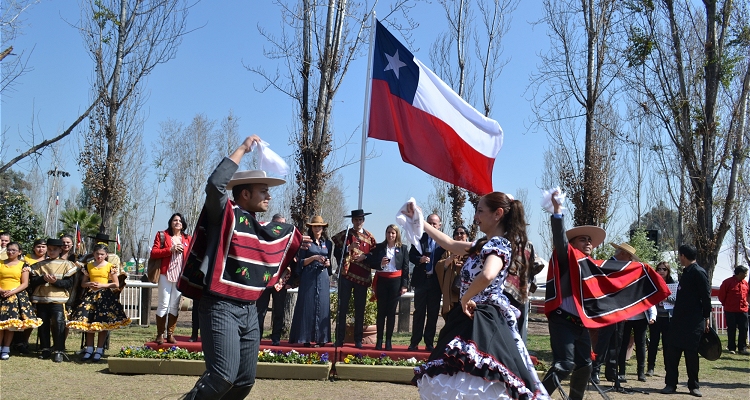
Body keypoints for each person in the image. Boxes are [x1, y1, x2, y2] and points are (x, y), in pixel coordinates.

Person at [181, 135, 306, 399]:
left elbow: (269, 253)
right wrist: (242, 148)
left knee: (244, 381)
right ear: (245, 193)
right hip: (220, 306)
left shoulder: (259, 228)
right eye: (263, 191)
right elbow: (216, 184)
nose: (269, 196)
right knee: (222, 376)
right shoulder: (224, 214)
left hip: (250, 310)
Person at [408, 193, 548, 399]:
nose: (476, 217)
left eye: (480, 211)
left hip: (483, 317)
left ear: (498, 214)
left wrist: (465, 298)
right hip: (473, 315)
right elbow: (448, 243)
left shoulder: (499, 244)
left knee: (475, 375)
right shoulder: (484, 245)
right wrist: (420, 221)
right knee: (463, 374)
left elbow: (488, 274)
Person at [542, 192, 605, 399]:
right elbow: (560, 240)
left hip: (580, 324)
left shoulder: (591, 267)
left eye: (589, 240)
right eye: (582, 239)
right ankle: (536, 396)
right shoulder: (565, 256)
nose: (588, 242)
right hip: (562, 320)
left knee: (585, 364)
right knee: (564, 365)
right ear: (572, 244)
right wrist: (557, 212)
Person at [661, 244, 711, 397]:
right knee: (672, 354)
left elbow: (706, 297)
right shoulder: (686, 272)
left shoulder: (698, 273)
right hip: (678, 322)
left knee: (691, 355)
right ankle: (670, 384)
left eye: (679, 256)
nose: (679, 258)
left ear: (683, 256)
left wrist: (706, 318)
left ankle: (693, 386)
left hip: (693, 322)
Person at [67, 243, 131, 362]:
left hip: (104, 296)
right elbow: (83, 283)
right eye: (97, 254)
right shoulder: (88, 266)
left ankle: (100, 349)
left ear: (106, 255)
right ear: (93, 254)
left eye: (102, 254)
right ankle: (89, 349)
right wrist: (89, 284)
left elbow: (116, 284)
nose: (99, 256)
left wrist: (103, 285)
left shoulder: (110, 266)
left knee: (102, 324)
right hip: (90, 296)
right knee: (89, 323)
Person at [593, 242, 638, 384]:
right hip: (607, 310)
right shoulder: (607, 265)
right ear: (623, 254)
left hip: (619, 311)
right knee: (603, 341)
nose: (631, 260)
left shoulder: (624, 267)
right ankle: (595, 371)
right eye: (630, 257)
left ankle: (611, 371)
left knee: (616, 341)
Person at [331, 209, 377, 348]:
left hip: (362, 277)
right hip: (346, 276)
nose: (358, 222)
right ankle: (339, 339)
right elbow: (336, 252)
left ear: (364, 220)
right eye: (356, 220)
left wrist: (365, 257)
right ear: (352, 221)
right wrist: (348, 248)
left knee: (360, 309)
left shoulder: (370, 237)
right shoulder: (345, 235)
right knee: (342, 308)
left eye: (360, 220)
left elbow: (375, 255)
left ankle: (358, 339)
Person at [29, 238, 78, 362]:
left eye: (54, 249)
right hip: (42, 299)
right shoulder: (38, 265)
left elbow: (69, 283)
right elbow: (32, 282)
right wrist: (43, 279)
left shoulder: (67, 264)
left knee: (58, 323)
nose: (51, 252)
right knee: (43, 324)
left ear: (60, 250)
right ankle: (45, 349)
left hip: (58, 299)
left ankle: (59, 350)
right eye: (49, 249)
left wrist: (56, 282)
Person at [289, 215, 333, 347]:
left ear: (323, 228)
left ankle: (322, 338)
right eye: (315, 226)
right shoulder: (306, 242)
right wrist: (313, 257)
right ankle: (305, 338)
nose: (317, 228)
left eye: (319, 226)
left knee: (323, 306)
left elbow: (329, 262)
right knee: (307, 305)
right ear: (311, 228)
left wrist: (327, 263)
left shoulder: (328, 243)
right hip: (308, 276)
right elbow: (300, 263)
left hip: (323, 276)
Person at [365, 224, 409, 351]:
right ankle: (379, 341)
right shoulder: (379, 248)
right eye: (389, 232)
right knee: (381, 312)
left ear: (397, 234)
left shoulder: (403, 248)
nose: (390, 235)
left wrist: (404, 285)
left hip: (396, 281)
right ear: (386, 234)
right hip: (382, 281)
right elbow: (371, 262)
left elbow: (405, 268)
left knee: (391, 312)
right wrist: (380, 263)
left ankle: (388, 340)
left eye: (393, 233)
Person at [150, 213, 191, 345]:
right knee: (163, 304)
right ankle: (160, 334)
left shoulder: (187, 238)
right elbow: (154, 253)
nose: (177, 222)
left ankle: (170, 334)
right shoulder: (162, 235)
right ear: (171, 222)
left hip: (180, 276)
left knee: (174, 305)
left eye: (180, 220)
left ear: (183, 224)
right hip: (165, 274)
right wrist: (170, 249)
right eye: (175, 220)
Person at [0, 242, 42, 360]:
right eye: (9, 250)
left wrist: (12, 292)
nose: (10, 252)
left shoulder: (23, 265)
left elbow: (24, 283)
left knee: (10, 324)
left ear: (19, 252)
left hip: (15, 296)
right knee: (0, 324)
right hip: (1, 294)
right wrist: (1, 290)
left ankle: (6, 348)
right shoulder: (1, 263)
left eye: (14, 250)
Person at [408, 213, 443, 351]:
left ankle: (429, 343)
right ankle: (414, 342)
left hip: (435, 282)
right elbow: (411, 256)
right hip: (421, 281)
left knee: (433, 314)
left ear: (439, 225)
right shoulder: (419, 239)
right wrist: (420, 259)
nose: (432, 226)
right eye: (430, 223)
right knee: (419, 313)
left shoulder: (443, 241)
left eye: (435, 223)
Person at [256, 213, 290, 346]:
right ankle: (257, 337)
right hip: (265, 280)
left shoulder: (288, 239)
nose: (281, 227)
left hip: (280, 281)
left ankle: (276, 337)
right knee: (260, 311)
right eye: (278, 224)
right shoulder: (265, 238)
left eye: (283, 224)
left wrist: (290, 280)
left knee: (279, 311)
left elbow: (293, 259)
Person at [647, 261, 676, 376]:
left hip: (668, 318)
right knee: (653, 343)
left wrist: (666, 299)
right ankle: (650, 367)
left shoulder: (673, 284)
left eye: (664, 269)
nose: (661, 271)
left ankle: (668, 367)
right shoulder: (653, 283)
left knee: (667, 344)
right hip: (655, 317)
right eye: (659, 269)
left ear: (668, 271)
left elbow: (676, 300)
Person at [434, 226, 469, 317]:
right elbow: (439, 267)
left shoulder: (473, 251)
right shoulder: (449, 251)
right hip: (452, 291)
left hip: (468, 291)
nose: (459, 235)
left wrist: (464, 266)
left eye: (462, 233)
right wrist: (449, 260)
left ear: (467, 236)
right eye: (457, 234)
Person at [618, 304, 656, 382]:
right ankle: (621, 372)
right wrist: (621, 314)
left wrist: (652, 316)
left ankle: (641, 372)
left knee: (641, 345)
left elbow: (649, 301)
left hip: (641, 319)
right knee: (623, 344)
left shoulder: (642, 291)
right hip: (626, 320)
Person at [718, 265, 748, 355]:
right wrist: (726, 304)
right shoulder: (727, 282)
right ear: (739, 273)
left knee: (744, 329)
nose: (746, 275)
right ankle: (731, 347)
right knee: (731, 329)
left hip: (743, 310)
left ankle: (742, 348)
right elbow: (721, 296)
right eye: (745, 273)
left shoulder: (745, 283)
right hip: (730, 310)